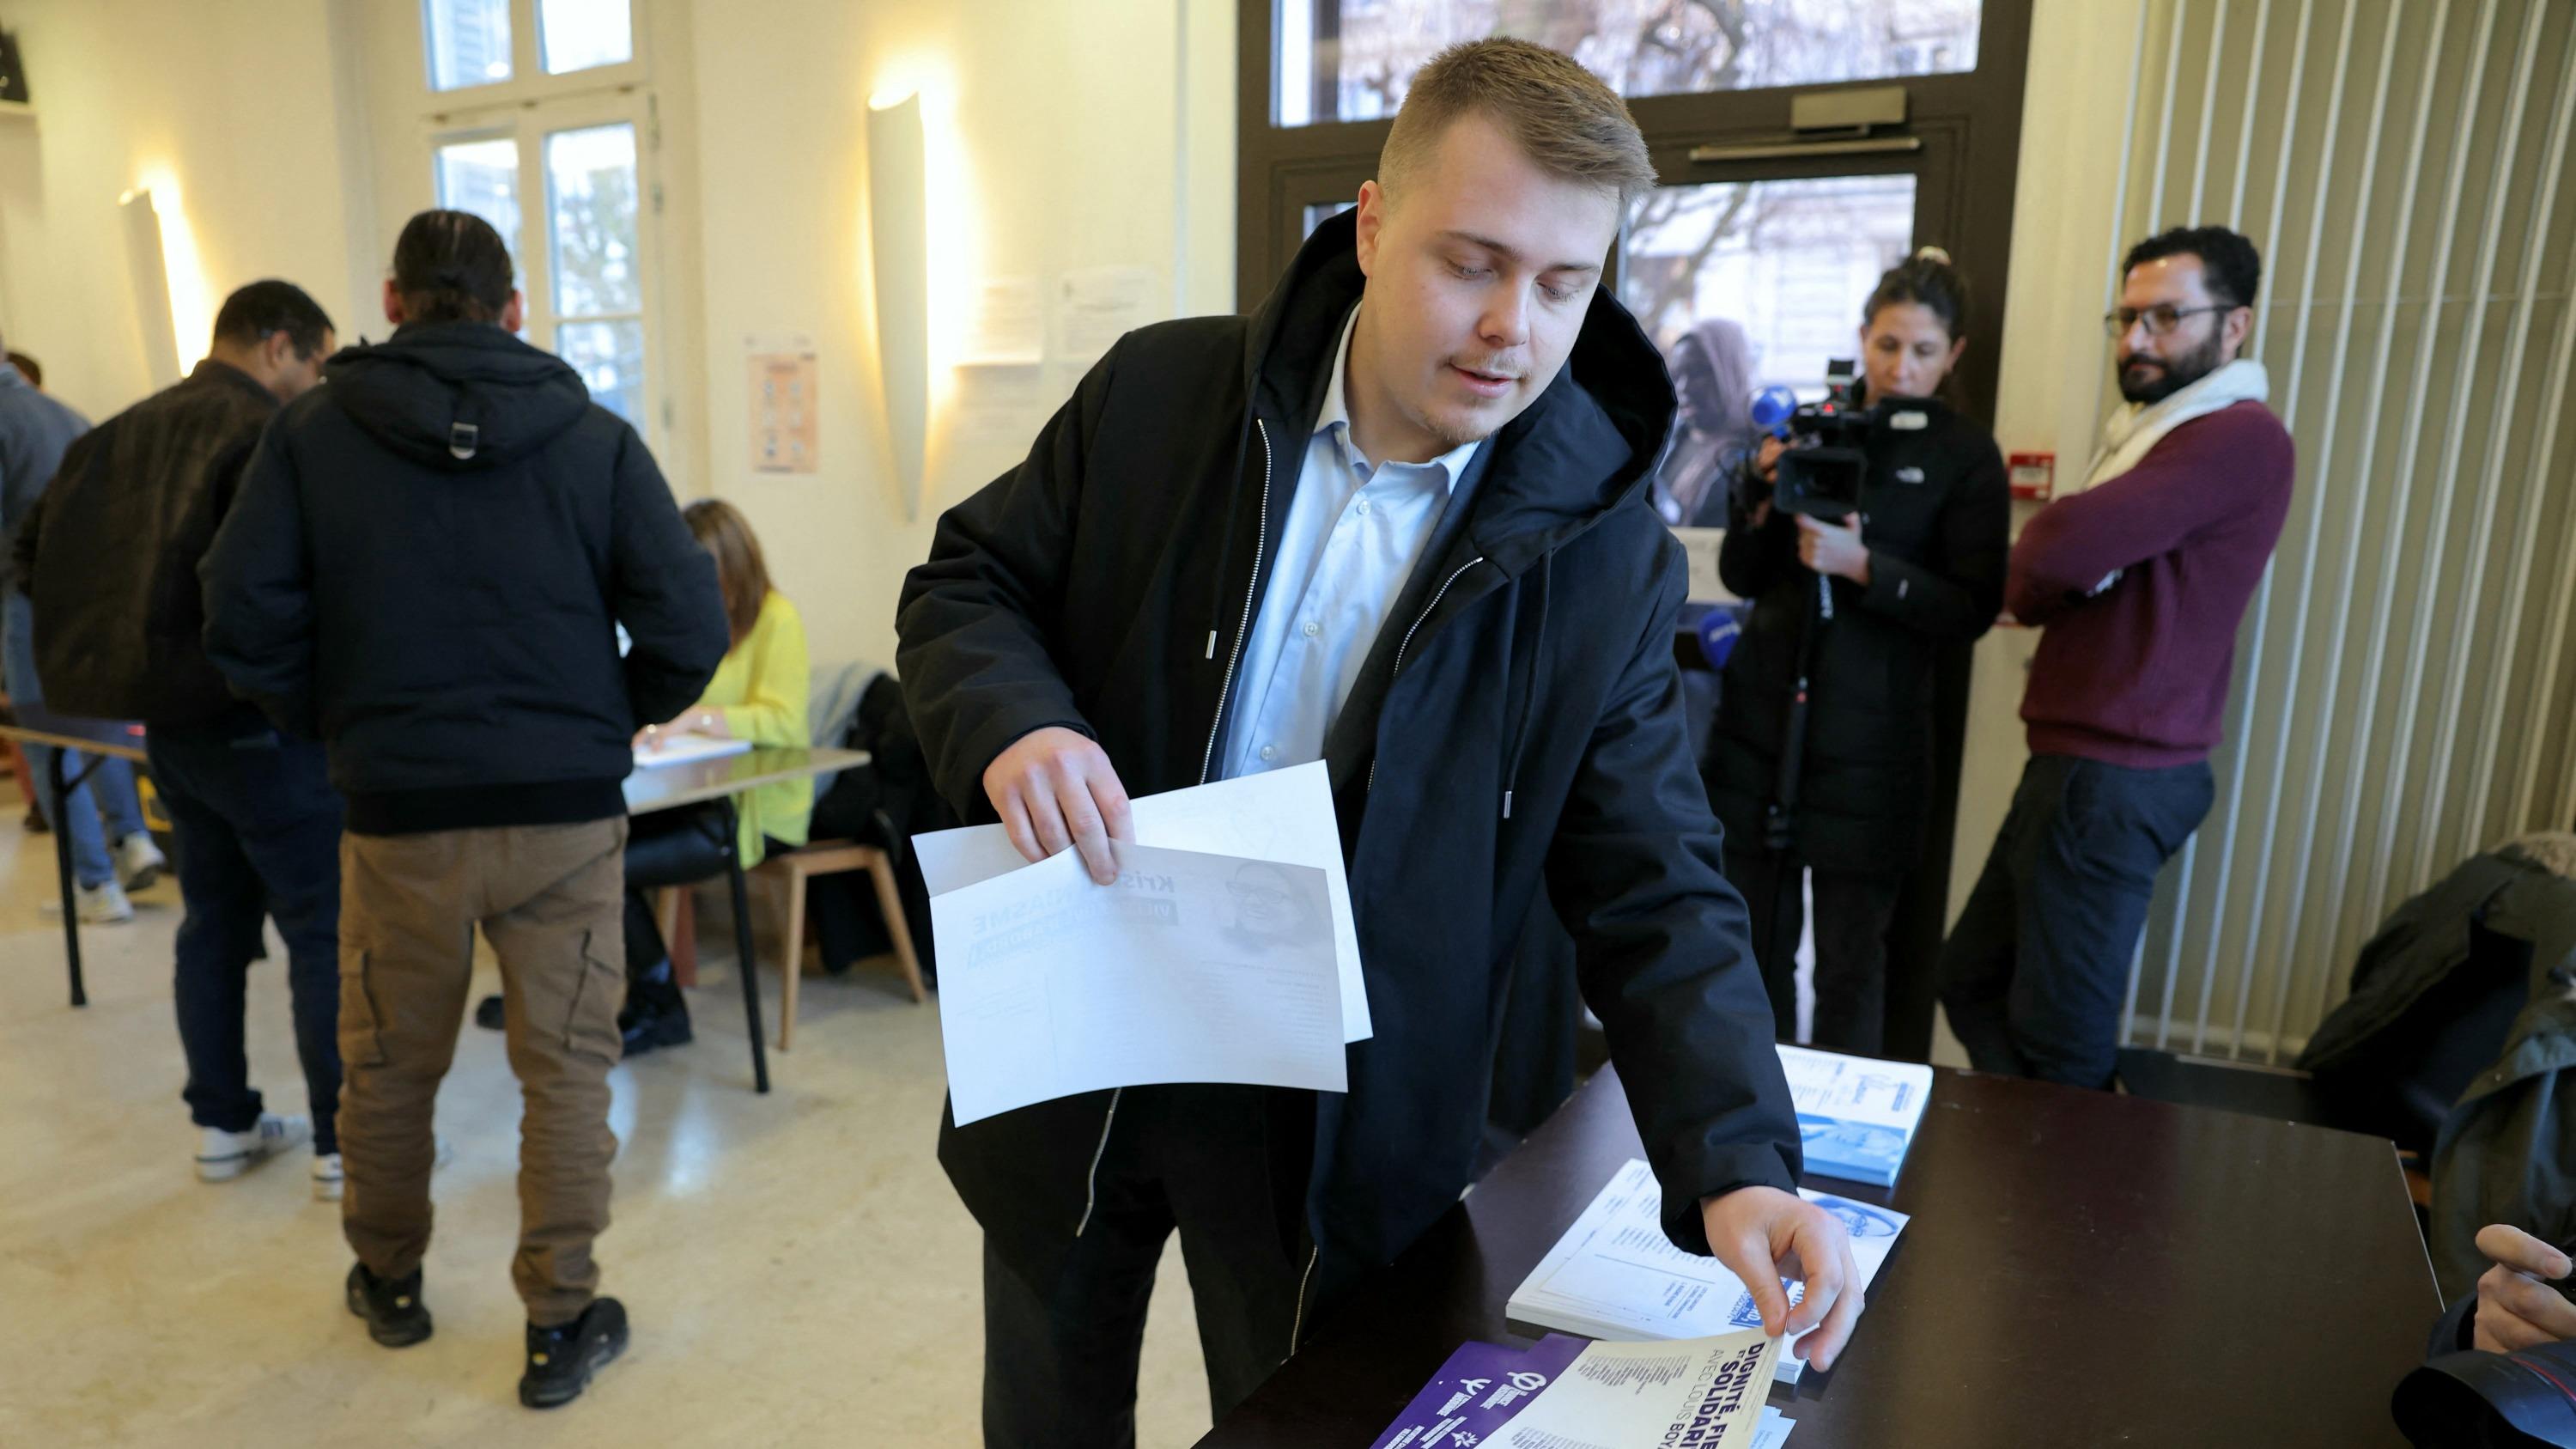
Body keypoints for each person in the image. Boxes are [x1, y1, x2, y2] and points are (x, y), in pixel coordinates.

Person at [897, 39, 1858, 1445]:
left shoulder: (1599, 563)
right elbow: (968, 584)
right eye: (1471, 262)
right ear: (1369, 223)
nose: (1512, 329)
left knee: (1304, 1410)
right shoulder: (1161, 402)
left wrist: (1738, 1155)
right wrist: (1017, 720)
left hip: (1331, 1092)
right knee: (1048, 1396)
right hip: (1081, 1014)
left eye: (1562, 284)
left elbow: (1656, 876)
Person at [200, 209, 727, 1409]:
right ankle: (559, 1316)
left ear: (390, 298)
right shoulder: (594, 438)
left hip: (398, 815)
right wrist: (608, 718)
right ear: (517, 307)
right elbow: (691, 622)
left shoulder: (312, 436)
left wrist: (332, 720)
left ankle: (388, 1281)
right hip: (564, 815)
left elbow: (237, 613)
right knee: (569, 1073)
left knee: (386, 1066)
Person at [1936, 224, 2293, 1090]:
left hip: (2114, 776)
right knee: (1972, 979)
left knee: (2062, 1040)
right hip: (2080, 766)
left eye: (2165, 318)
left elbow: (2052, 547)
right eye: (2126, 318)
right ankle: (2031, 1171)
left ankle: (2063, 1209)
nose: (2135, 341)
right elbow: (2060, 561)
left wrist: (2052, 575)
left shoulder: (2235, 437)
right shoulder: (2154, 432)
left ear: (2235, 326)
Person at [14, 281, 349, 1192]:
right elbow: (282, 585)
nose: (317, 382)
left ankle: (221, 1126)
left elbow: (27, 555)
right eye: (317, 360)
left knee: (211, 927)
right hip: (260, 728)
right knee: (324, 931)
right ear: (281, 345)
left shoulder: (112, 434)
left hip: (169, 730)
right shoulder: (266, 438)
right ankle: (340, 1143)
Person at [1703, 249, 2009, 1057]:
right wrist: (1765, 498)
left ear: (1955, 355)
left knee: (1848, 962)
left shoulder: (1965, 456)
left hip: (1875, 751)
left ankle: (1839, 1143)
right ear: (1862, 337)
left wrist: (1866, 568)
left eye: (1923, 351)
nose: (1901, 368)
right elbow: (1741, 571)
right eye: (1886, 346)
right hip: (1764, 733)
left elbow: (1971, 608)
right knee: (1751, 951)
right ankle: (1747, 1130)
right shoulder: (1809, 431)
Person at [617, 497, 811, 1054]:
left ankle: (658, 1002)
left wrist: (694, 717)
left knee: (609, 867)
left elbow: (783, 721)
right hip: (697, 796)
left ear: (734, 564)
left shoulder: (777, 618)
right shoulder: (705, 625)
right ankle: (649, 996)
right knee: (594, 847)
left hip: (759, 810)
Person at [0, 332, 164, 923]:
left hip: (26, 606)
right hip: (93, 606)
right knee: (99, 733)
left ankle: (94, 884)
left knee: (48, 747)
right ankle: (131, 839)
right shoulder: (66, 413)